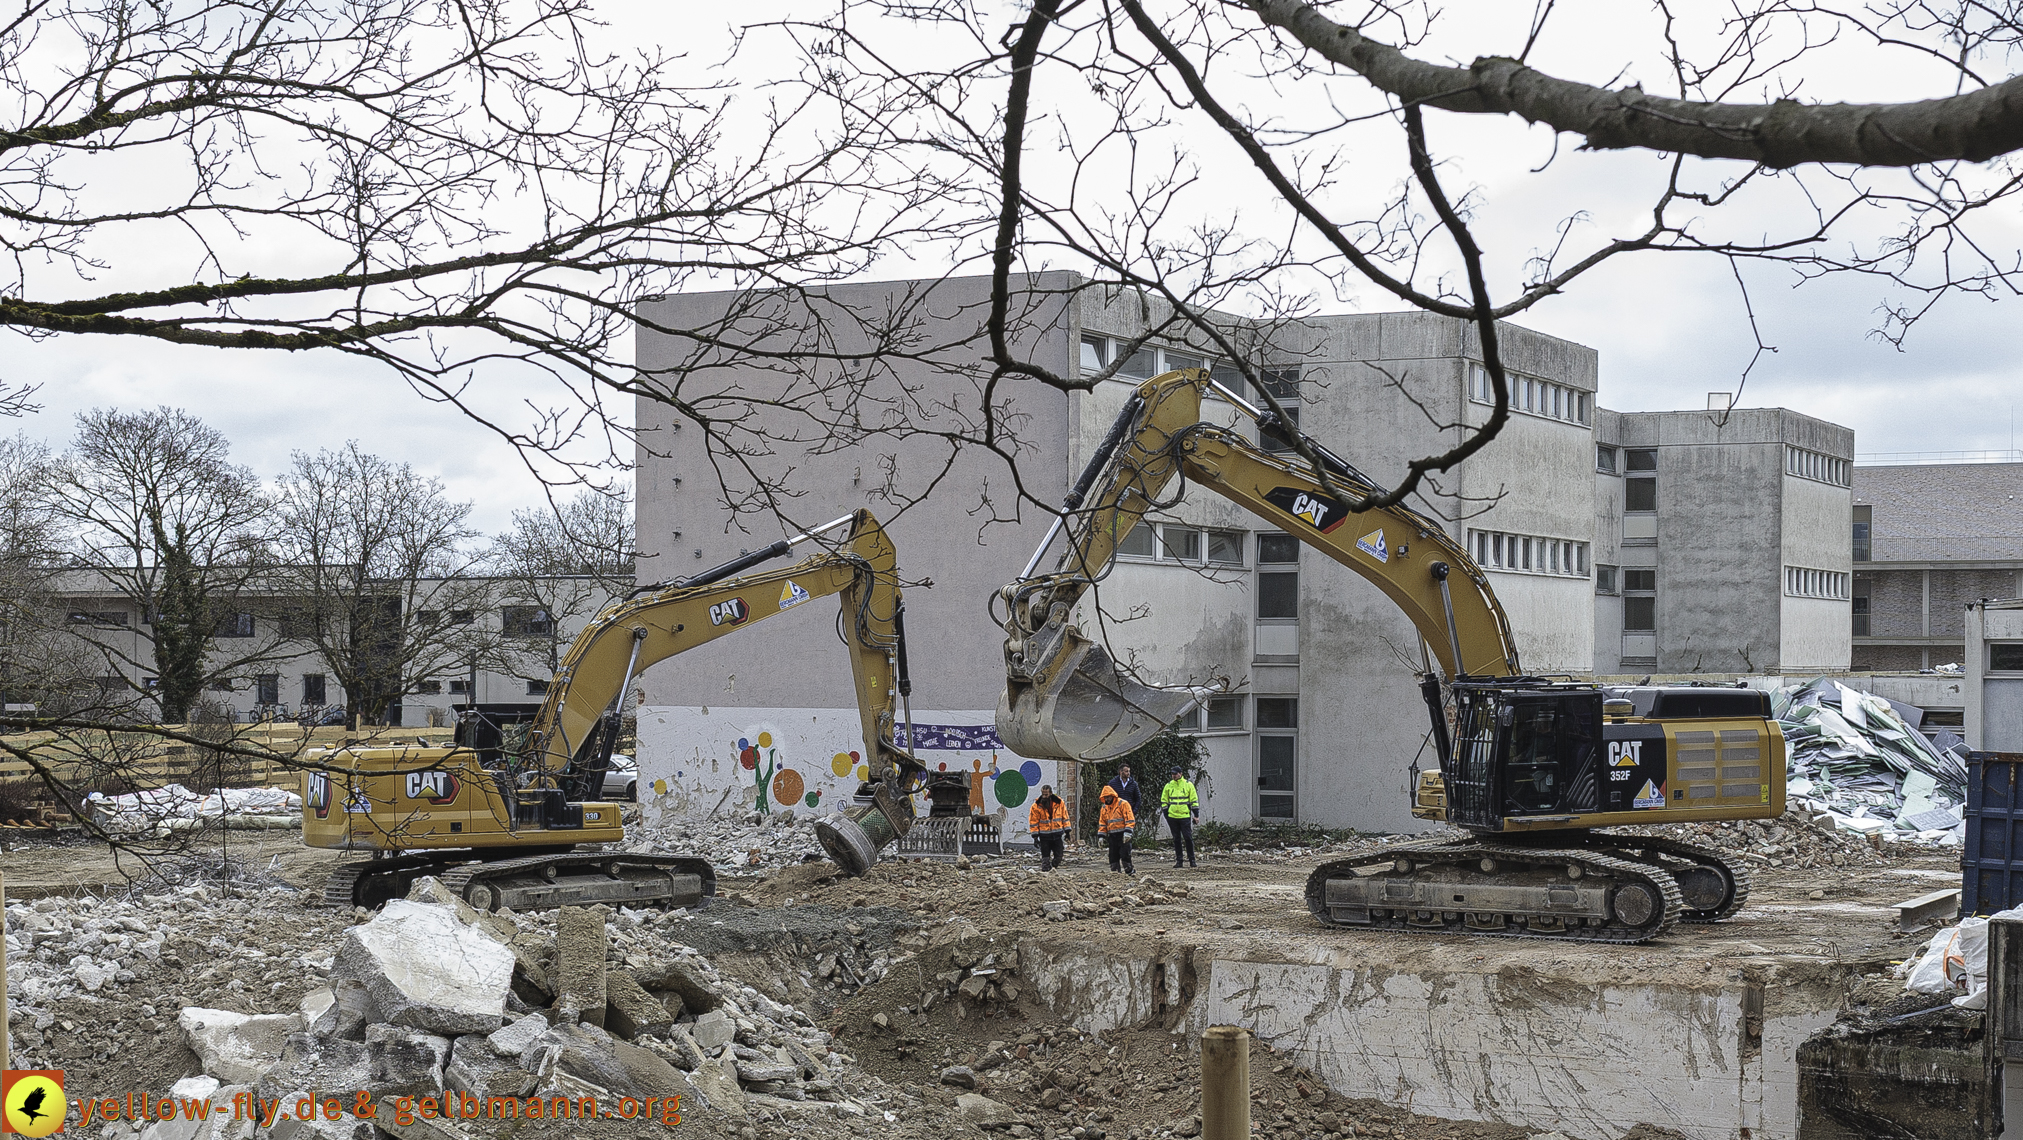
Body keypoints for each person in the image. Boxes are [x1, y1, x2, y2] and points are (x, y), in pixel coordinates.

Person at [1160, 767, 1199, 869]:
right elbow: (1164, 801)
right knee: (1176, 839)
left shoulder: (1188, 785)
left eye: (1175, 774)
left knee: (1188, 838)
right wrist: (1166, 814)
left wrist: (1196, 815)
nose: (1173, 775)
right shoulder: (1168, 786)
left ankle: (1192, 860)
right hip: (1172, 817)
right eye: (1172, 774)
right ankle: (1179, 861)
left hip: (1184, 816)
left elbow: (1194, 800)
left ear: (1180, 774)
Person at [1028, 784, 1070, 871]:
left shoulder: (1059, 803)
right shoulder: (1036, 806)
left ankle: (1053, 867)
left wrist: (1067, 831)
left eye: (1046, 795)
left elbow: (1065, 817)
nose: (1044, 796)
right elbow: (1033, 822)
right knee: (1045, 858)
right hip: (1044, 836)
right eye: (1043, 794)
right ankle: (1046, 873)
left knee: (1059, 856)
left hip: (1057, 834)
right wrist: (1035, 837)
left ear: (1051, 793)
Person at [1097, 785, 1136, 875]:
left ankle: (1129, 871)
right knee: (1113, 856)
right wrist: (1101, 836)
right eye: (1105, 797)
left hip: (1123, 834)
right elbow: (1102, 824)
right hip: (1112, 836)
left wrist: (1128, 832)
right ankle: (1115, 874)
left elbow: (1129, 819)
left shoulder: (1123, 804)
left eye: (1108, 797)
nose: (1107, 799)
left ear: (1112, 795)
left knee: (1125, 855)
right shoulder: (1104, 809)